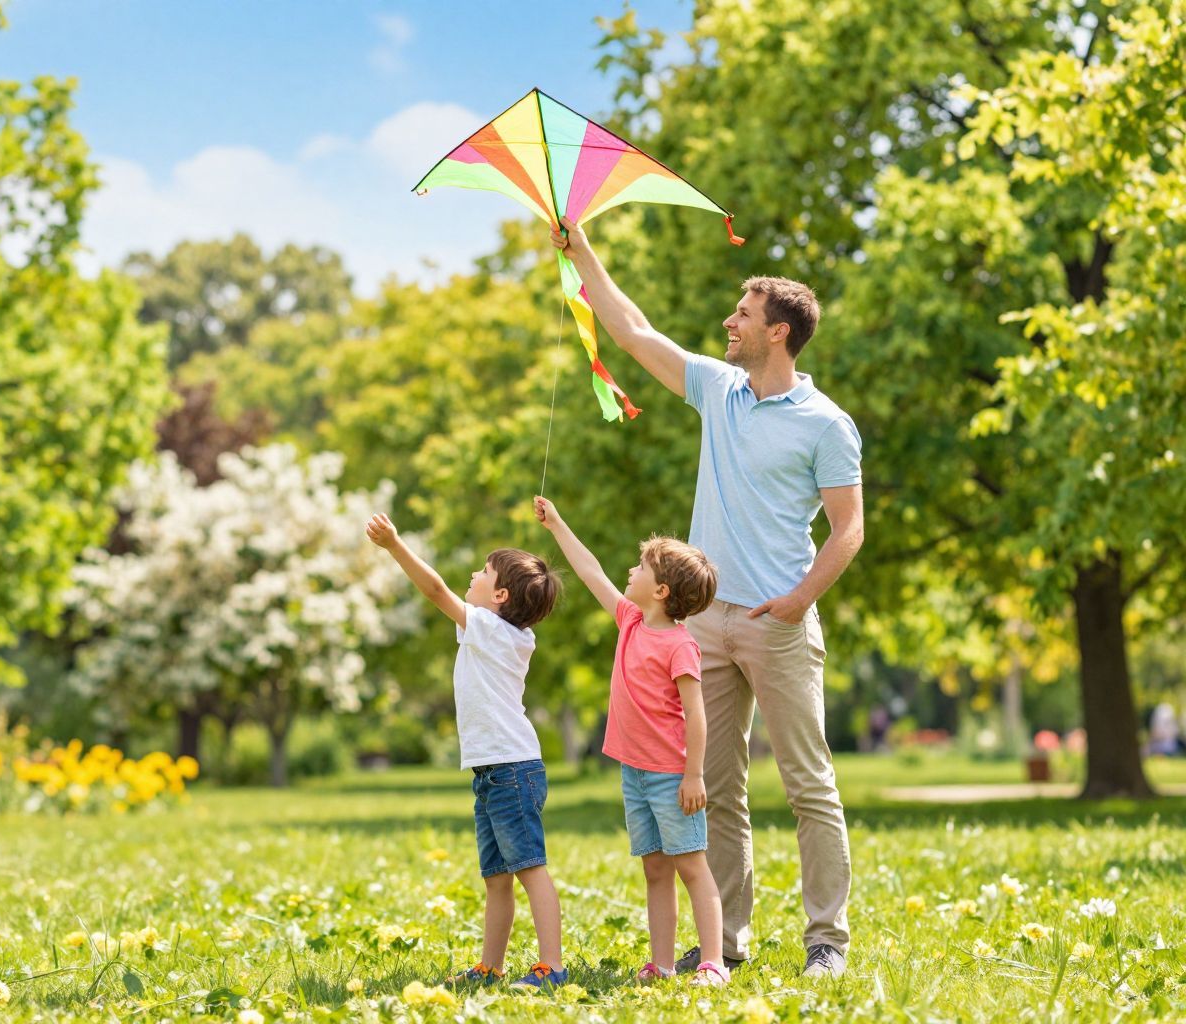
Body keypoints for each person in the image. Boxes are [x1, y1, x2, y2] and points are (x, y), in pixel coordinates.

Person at [552, 217, 865, 979]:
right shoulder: (718, 388)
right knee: (714, 790)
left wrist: (795, 602)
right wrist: (580, 245)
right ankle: (725, 939)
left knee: (808, 786)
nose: (729, 321)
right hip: (706, 628)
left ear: (779, 331)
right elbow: (630, 331)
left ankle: (827, 939)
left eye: (743, 314)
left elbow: (849, 531)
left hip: (777, 624)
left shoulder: (827, 425)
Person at [364, 512, 569, 990]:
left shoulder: (494, 631)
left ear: (500, 597)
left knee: (530, 870)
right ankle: (491, 966)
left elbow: (436, 591)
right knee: (498, 877)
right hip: (495, 771)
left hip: (511, 770)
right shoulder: (498, 632)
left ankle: (552, 966)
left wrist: (396, 545)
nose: (473, 575)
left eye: (484, 571)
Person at [534, 496, 728, 986]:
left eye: (641, 567)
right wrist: (558, 524)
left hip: (671, 777)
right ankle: (661, 964)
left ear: (660, 590)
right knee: (655, 869)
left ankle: (713, 963)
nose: (630, 569)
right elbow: (592, 571)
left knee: (691, 867)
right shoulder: (630, 622)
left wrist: (694, 775)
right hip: (635, 774)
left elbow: (696, 716)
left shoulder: (680, 644)